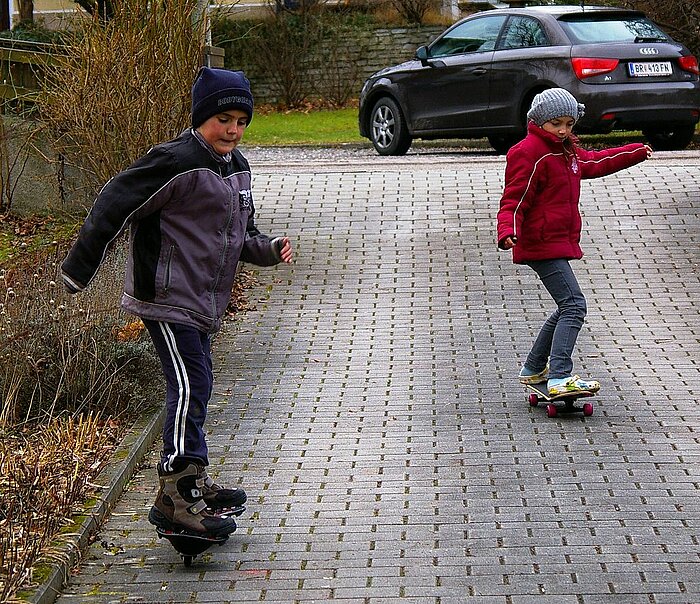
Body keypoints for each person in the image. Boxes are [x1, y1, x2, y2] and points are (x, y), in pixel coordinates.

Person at [61, 67, 293, 537]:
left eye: (241, 121)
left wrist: (267, 249)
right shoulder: (176, 161)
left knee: (197, 385)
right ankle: (174, 493)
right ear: (202, 117)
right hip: (166, 297)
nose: (232, 129)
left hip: (203, 302)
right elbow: (115, 200)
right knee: (191, 384)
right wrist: (79, 267)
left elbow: (241, 236)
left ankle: (190, 479)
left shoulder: (238, 168)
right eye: (223, 119)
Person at [497, 88, 651, 397]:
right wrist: (507, 229)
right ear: (539, 121)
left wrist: (634, 151)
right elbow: (514, 198)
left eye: (569, 123)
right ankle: (560, 376)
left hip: (555, 240)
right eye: (556, 124)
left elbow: (593, 163)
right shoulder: (529, 152)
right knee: (574, 305)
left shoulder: (565, 150)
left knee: (566, 305)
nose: (564, 130)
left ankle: (533, 368)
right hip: (539, 241)